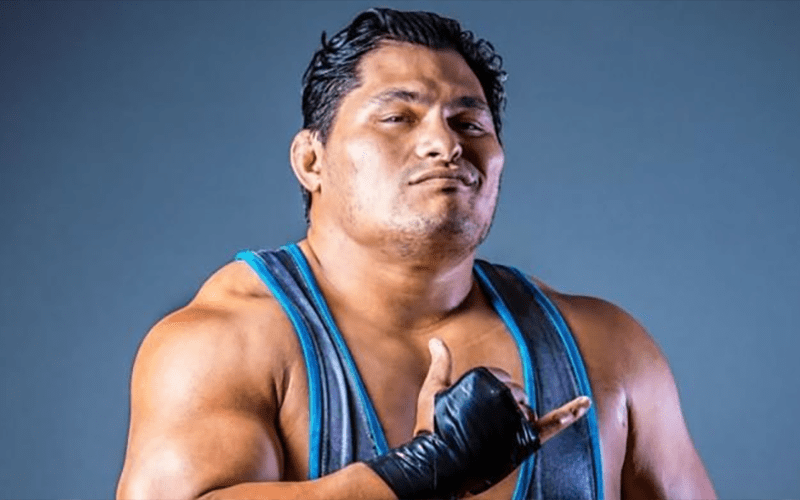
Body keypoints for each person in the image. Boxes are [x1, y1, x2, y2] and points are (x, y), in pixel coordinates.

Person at [116, 8, 716, 500]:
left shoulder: (607, 349)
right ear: (311, 161)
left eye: (469, 123)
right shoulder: (225, 342)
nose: (444, 144)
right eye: (398, 117)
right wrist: (423, 472)